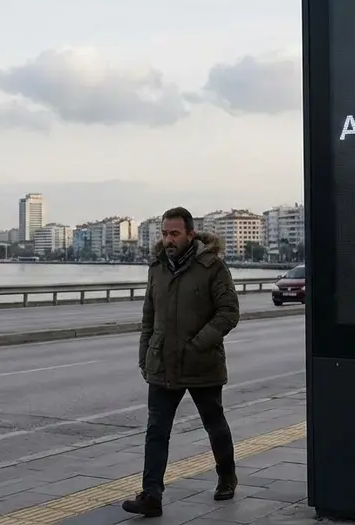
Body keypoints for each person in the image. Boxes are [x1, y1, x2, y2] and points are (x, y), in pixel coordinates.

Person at [122, 206, 241, 518]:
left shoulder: (212, 267)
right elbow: (148, 317)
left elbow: (229, 312)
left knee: (214, 424)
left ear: (191, 234)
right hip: (162, 363)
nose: (168, 239)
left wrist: (198, 344)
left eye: (174, 233)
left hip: (202, 362)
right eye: (164, 233)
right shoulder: (157, 268)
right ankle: (151, 495)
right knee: (156, 430)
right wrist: (145, 354)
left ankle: (227, 477)